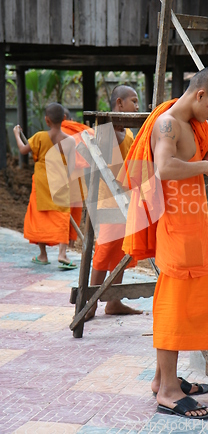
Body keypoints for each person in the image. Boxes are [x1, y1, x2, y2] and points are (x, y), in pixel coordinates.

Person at [121, 67, 208, 419]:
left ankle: (162, 379)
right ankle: (168, 392)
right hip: (177, 229)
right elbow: (165, 168)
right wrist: (203, 166)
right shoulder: (167, 123)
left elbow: (181, 160)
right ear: (200, 95)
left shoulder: (189, 125)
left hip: (191, 222)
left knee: (186, 304)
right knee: (174, 304)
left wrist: (204, 159)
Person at [85, 85, 143, 320]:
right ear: (119, 103)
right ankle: (89, 302)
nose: (137, 107)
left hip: (127, 199)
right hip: (109, 200)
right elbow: (102, 166)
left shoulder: (127, 132)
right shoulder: (107, 131)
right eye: (134, 101)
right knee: (105, 248)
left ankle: (113, 300)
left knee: (122, 250)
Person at [13, 102, 76, 266]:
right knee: (62, 216)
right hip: (61, 183)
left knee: (40, 216)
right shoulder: (70, 141)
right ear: (64, 118)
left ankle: (43, 255)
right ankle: (62, 254)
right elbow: (71, 167)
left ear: (47, 120)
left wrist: (16, 135)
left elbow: (23, 150)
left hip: (42, 183)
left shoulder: (40, 137)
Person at [61, 108, 92, 247]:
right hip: (79, 177)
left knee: (63, 213)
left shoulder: (59, 131)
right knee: (76, 210)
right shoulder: (81, 130)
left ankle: (62, 246)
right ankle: (71, 244)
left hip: (64, 177)